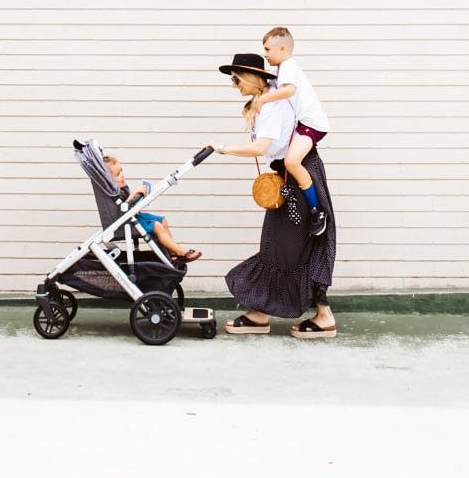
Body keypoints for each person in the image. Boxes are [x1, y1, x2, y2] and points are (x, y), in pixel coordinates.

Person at [208, 52, 337, 339]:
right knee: (282, 246)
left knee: (291, 246)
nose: (233, 85)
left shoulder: (272, 106)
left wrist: (224, 148)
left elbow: (261, 147)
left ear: (252, 78)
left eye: (236, 78)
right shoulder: (267, 102)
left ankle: (320, 315)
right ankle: (263, 312)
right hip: (289, 180)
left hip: (298, 180)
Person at [257, 27, 329, 237]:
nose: (265, 54)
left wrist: (262, 99)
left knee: (291, 162)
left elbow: (289, 90)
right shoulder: (283, 69)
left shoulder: (287, 65)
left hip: (312, 124)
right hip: (303, 124)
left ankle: (317, 210)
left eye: (268, 49)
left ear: (282, 48)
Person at [102, 154, 201, 266]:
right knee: (156, 226)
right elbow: (122, 210)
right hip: (123, 224)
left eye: (121, 171)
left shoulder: (121, 189)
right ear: (109, 180)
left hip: (132, 217)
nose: (122, 175)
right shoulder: (112, 192)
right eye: (118, 174)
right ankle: (181, 252)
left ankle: (173, 253)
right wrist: (135, 193)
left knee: (162, 220)